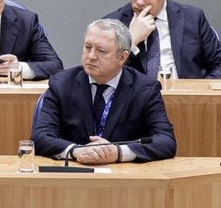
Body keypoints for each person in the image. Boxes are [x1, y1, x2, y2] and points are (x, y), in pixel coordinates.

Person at [31, 18, 177, 163]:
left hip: (124, 178)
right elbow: (40, 137)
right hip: (76, 172)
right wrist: (76, 150)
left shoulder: (145, 89)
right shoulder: (61, 83)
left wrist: (119, 152)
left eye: (101, 51)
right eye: (88, 47)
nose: (91, 56)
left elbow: (165, 141)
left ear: (122, 57)